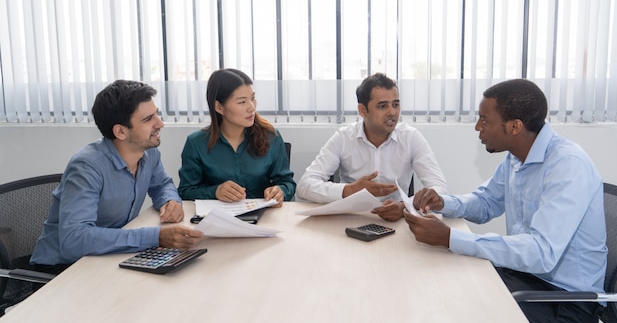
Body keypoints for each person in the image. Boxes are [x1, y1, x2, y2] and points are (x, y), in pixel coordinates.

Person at [406, 79, 606, 323]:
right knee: (444, 297)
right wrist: (443, 202)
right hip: (526, 281)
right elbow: (486, 202)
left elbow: (541, 252)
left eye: (484, 120)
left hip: (564, 303)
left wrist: (449, 238)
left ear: (514, 126)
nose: (478, 127)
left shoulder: (567, 165)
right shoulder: (516, 158)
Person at [30, 80, 203, 273]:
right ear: (120, 131)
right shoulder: (87, 167)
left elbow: (162, 184)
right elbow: (74, 240)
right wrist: (156, 237)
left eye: (157, 114)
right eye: (148, 119)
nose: (160, 123)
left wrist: (169, 199)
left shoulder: (148, 152)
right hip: (62, 270)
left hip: (108, 257)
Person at [296, 73, 448, 221]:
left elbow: (439, 188)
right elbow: (304, 186)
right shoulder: (344, 137)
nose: (392, 112)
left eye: (395, 104)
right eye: (382, 106)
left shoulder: (411, 137)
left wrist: (404, 206)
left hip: (397, 221)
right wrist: (350, 190)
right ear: (363, 110)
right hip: (351, 219)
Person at [178, 69, 295, 206]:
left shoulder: (271, 136)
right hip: (217, 220)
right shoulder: (196, 143)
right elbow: (185, 191)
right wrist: (215, 191)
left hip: (263, 218)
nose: (251, 108)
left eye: (252, 98)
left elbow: (288, 183)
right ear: (219, 107)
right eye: (242, 102)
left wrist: (280, 191)